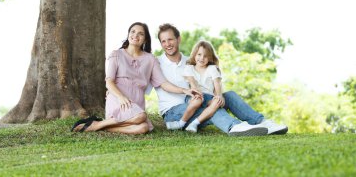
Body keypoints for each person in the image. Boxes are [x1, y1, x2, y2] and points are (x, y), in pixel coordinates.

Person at [154, 23, 288, 136]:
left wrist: (217, 94)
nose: (167, 44)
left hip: (199, 102)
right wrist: (187, 91)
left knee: (228, 95)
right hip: (174, 112)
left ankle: (262, 123)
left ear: (178, 39)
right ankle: (234, 127)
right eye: (163, 41)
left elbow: (210, 78)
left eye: (170, 39)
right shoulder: (156, 63)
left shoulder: (191, 61)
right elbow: (163, 84)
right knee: (212, 103)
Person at [71, 22, 197, 134]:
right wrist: (121, 97)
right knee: (141, 117)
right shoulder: (117, 54)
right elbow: (109, 81)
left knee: (143, 128)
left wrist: (184, 90)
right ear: (128, 34)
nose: (136, 35)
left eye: (140, 34)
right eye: (133, 32)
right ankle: (100, 124)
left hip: (136, 102)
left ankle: (101, 126)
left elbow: (163, 83)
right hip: (118, 99)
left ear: (145, 39)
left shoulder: (150, 59)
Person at [166, 41, 224, 133]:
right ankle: (181, 123)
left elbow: (217, 83)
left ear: (210, 57)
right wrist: (197, 92)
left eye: (205, 56)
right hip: (194, 94)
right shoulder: (189, 68)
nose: (202, 58)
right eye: (199, 54)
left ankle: (194, 123)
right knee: (198, 100)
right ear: (194, 55)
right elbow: (192, 82)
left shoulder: (212, 68)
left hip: (209, 97)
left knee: (217, 102)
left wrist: (219, 96)